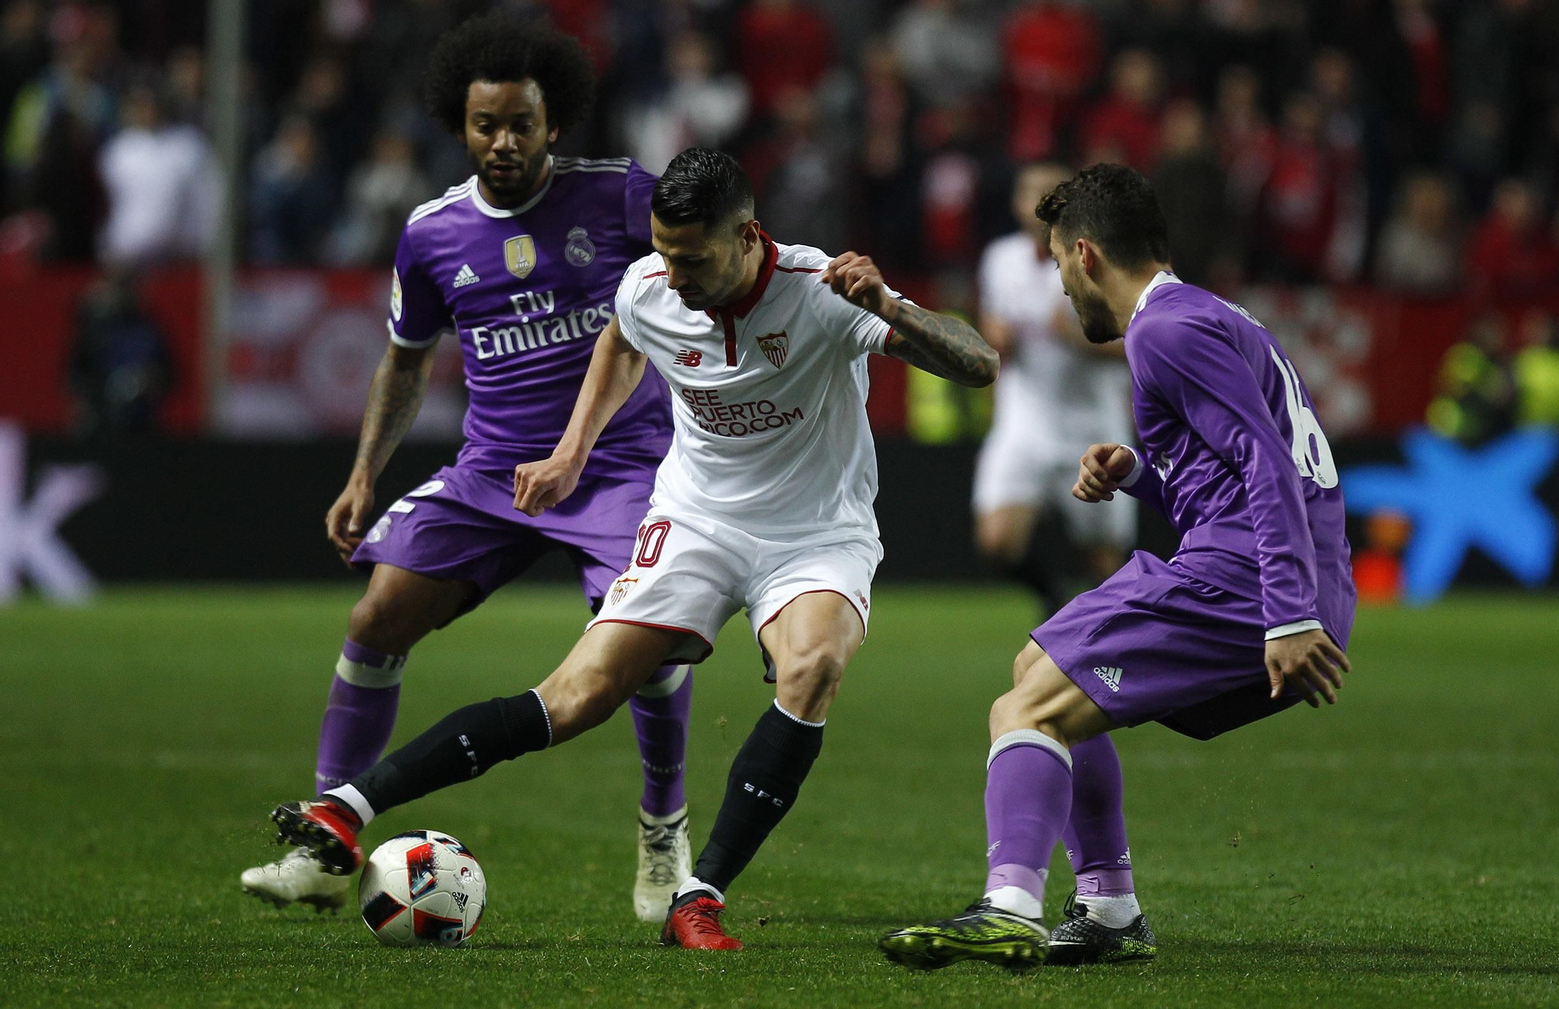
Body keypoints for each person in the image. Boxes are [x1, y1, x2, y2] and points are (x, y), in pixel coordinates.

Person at [258, 147, 999, 951]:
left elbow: (980, 364)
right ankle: (349, 805)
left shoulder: (821, 292)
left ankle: (698, 896)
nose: (673, 273)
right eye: (663, 252)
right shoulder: (650, 285)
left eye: (692, 257)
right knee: (573, 698)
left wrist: (893, 305)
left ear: (748, 236)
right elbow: (619, 340)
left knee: (812, 666)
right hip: (695, 521)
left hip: (815, 532)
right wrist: (574, 450)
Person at [240, 13, 697, 925]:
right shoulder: (432, 233)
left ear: (553, 122)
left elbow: (694, 287)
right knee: (377, 615)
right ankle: (327, 842)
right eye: (487, 124)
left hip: (620, 467)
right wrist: (364, 473)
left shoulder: (618, 199)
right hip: (492, 473)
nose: (504, 141)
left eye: (521, 123)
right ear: (460, 124)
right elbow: (405, 360)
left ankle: (662, 830)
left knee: (646, 639)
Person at [880, 163, 1354, 972]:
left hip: (1247, 579)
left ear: (1087, 254)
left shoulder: (1162, 331)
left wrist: (1288, 612)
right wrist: (1139, 470)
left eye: (1059, 263)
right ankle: (1107, 907)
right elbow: (1241, 464)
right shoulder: (1208, 315)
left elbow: (1267, 462)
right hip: (1267, 571)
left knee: (1025, 707)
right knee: (1041, 665)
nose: (1060, 286)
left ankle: (1011, 907)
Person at [973, 161, 1135, 613]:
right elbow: (992, 323)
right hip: (1024, 418)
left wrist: (1082, 340)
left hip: (1093, 422)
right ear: (1016, 202)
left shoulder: (1104, 261)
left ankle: (1118, 655)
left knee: (1104, 561)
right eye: (1029, 191)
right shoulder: (1000, 259)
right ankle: (1052, 595)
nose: (1039, 202)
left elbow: (1140, 342)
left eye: (1051, 191)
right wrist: (995, 338)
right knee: (997, 541)